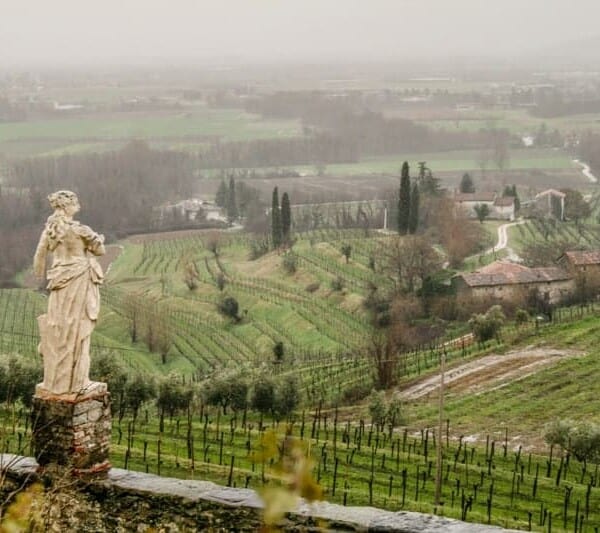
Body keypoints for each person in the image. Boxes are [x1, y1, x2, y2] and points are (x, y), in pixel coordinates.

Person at [33, 190, 105, 395]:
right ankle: (76, 382)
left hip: (58, 281)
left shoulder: (51, 230)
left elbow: (38, 259)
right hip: (78, 280)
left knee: (59, 325)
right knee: (76, 327)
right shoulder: (80, 230)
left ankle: (56, 381)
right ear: (66, 207)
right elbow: (100, 251)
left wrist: (45, 276)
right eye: (75, 203)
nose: (79, 206)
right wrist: (98, 239)